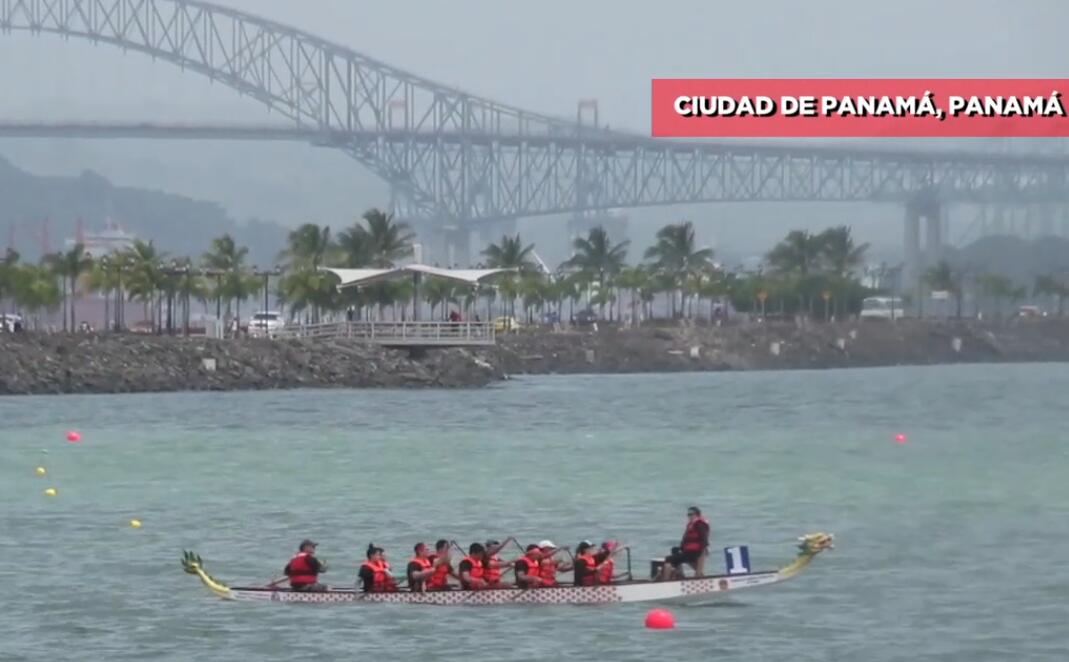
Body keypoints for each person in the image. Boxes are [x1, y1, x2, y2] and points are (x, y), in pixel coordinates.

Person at [658, 506, 711, 580]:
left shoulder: (700, 524)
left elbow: (704, 539)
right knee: (675, 550)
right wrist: (682, 548)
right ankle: (679, 574)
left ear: (697, 514)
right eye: (688, 514)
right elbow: (686, 539)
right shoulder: (691, 524)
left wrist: (702, 551)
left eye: (691, 514)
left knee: (668, 559)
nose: (689, 516)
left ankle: (665, 581)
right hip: (688, 551)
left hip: (694, 552)